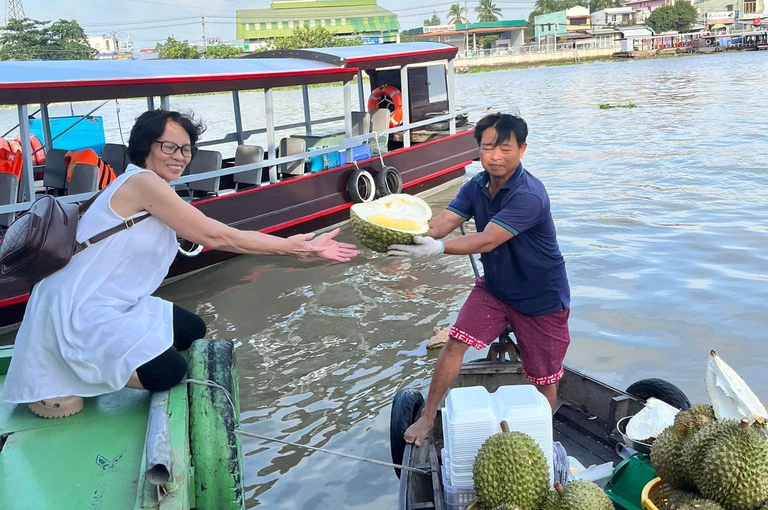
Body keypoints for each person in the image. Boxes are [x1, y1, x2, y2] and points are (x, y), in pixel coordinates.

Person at [3, 110, 359, 417]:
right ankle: (71, 368)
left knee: (191, 329)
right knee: (169, 372)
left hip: (110, 301)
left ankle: (111, 357)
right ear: (145, 147)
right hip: (78, 308)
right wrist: (292, 247)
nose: (180, 156)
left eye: (187, 148)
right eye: (169, 146)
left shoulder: (151, 185)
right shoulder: (143, 183)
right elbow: (215, 236)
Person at [388, 113, 570, 447]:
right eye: (488, 147)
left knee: (544, 376)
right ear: (479, 151)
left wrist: (438, 249)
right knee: (455, 342)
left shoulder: (529, 195)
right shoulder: (476, 186)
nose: (495, 156)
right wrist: (404, 236)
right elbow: (442, 222)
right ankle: (428, 418)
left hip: (540, 297)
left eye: (505, 148)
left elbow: (488, 239)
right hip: (496, 289)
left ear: (523, 150)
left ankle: (541, 440)